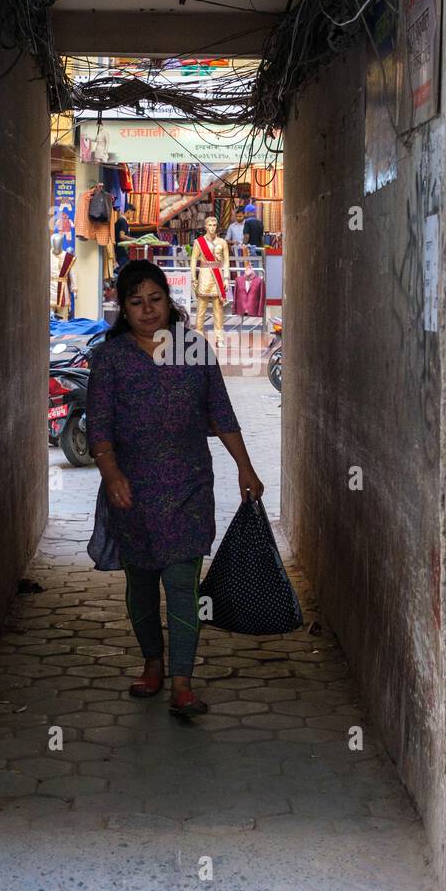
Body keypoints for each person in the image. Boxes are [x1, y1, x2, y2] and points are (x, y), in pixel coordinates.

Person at [86, 260, 264, 717]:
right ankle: (153, 665)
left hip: (188, 486)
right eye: (136, 302)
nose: (148, 310)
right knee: (142, 584)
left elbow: (222, 415)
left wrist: (245, 467)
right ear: (123, 309)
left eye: (156, 299)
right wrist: (111, 475)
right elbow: (99, 427)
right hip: (133, 491)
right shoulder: (110, 359)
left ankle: (183, 681)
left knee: (183, 584)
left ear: (169, 300)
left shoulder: (195, 351)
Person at [114, 201, 135, 267]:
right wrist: (135, 240)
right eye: (132, 213)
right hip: (121, 251)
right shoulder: (122, 221)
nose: (132, 215)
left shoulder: (121, 220)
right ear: (128, 211)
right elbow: (122, 236)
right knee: (123, 268)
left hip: (120, 250)